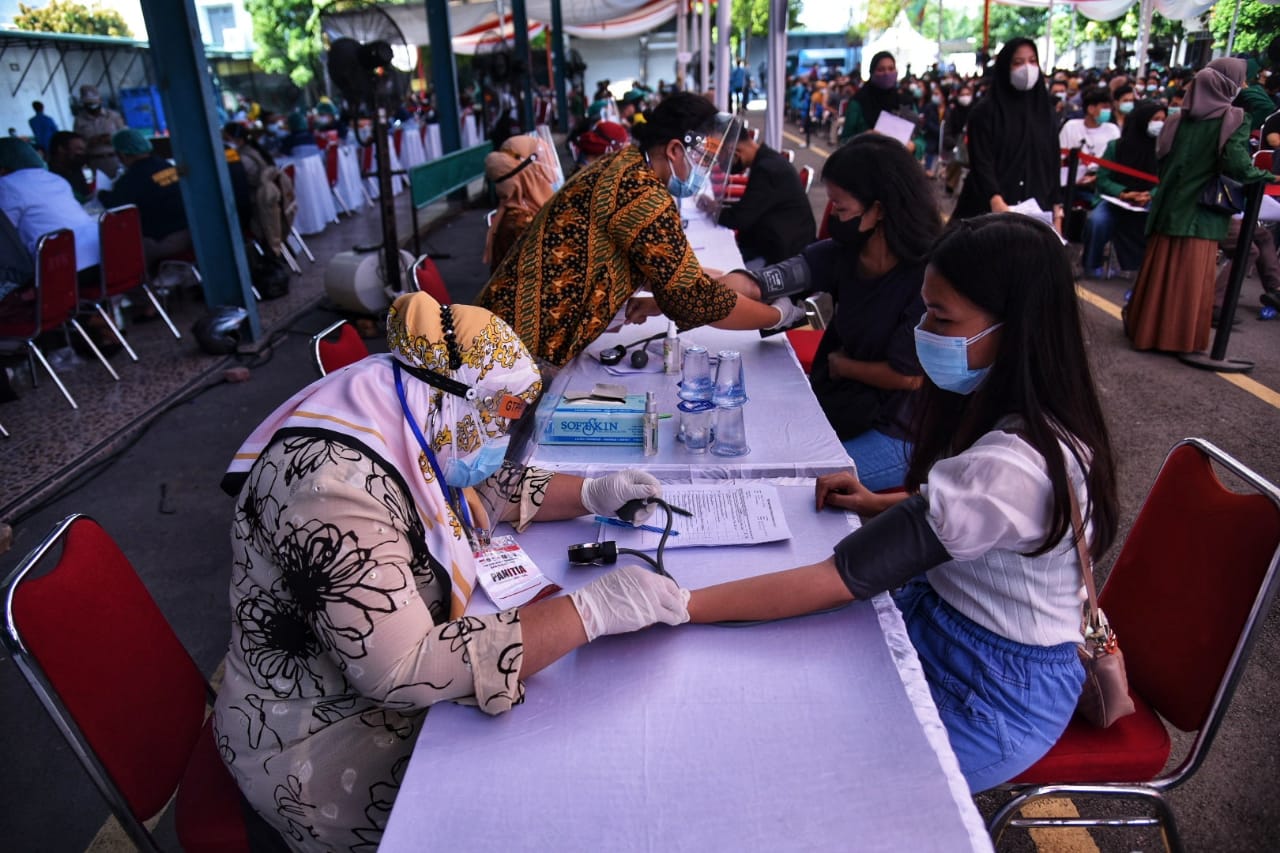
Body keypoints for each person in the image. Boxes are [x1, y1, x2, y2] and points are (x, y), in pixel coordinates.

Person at [214, 291, 689, 850]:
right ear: (453, 398)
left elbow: (473, 482)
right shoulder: (329, 491)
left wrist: (591, 494)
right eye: (502, 415)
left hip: (365, 692)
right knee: (548, 800)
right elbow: (402, 668)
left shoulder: (401, 397)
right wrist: (589, 613)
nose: (505, 436)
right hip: (319, 742)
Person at [685, 213, 1119, 793]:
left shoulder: (1013, 464)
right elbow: (956, 525)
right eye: (925, 310)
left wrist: (676, 604)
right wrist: (874, 502)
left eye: (942, 317)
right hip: (942, 621)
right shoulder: (1030, 412)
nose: (924, 330)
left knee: (811, 778)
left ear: (1014, 329)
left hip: (992, 693)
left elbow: (842, 575)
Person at [477, 92, 800, 367]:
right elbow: (692, 297)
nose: (708, 170)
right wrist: (776, 318)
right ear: (674, 150)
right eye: (704, 159)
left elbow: (676, 272)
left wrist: (724, 282)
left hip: (504, 332)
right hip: (515, 348)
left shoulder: (625, 165)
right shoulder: (642, 195)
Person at [721, 134, 938, 490]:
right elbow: (758, 284)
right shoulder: (843, 254)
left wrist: (843, 366)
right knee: (759, 447)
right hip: (846, 405)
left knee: (797, 486)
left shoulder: (926, 276)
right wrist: (679, 295)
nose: (832, 216)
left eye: (840, 208)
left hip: (901, 434)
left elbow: (908, 377)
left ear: (880, 209)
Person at [1125, 59, 1276, 353]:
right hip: (1201, 213)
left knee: (1160, 273)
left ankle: (1145, 331)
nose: (1243, 87)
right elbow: (1238, 166)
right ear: (1226, 85)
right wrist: (1268, 176)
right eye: (1240, 81)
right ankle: (1176, 340)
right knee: (1189, 278)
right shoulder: (1232, 118)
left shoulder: (1175, 119)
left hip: (1168, 208)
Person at [954, 39, 1063, 233]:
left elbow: (1053, 161)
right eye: (1018, 62)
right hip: (989, 210)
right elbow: (981, 162)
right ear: (1005, 67)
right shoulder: (985, 112)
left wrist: (1057, 209)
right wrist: (995, 198)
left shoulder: (1045, 112)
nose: (1027, 68)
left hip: (1036, 210)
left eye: (1032, 61)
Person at [1079, 100, 1164, 276]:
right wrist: (1123, 193)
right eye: (1155, 119)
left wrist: (1149, 195)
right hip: (1115, 201)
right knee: (1097, 222)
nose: (1160, 124)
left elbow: (1165, 180)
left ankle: (1144, 271)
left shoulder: (1163, 150)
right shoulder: (1116, 147)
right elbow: (1103, 179)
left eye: (1163, 119)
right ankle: (1091, 264)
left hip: (1148, 202)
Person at [712, 132, 816, 266]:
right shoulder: (767, 159)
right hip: (777, 242)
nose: (723, 162)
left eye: (723, 157)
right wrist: (719, 207)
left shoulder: (767, 170)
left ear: (733, 150)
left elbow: (740, 219)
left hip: (783, 256)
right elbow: (750, 206)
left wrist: (714, 211)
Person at [0, 137, 100, 274]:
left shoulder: (5, 186)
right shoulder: (53, 178)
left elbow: (6, 235)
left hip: (63, 267)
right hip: (100, 254)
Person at [98, 129, 191, 272]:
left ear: (121, 155)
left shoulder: (132, 179)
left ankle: (145, 291)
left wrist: (101, 194)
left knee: (118, 253)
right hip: (189, 234)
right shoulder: (167, 166)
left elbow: (115, 206)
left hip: (165, 241)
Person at [483, 134, 557, 272]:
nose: (549, 171)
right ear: (527, 173)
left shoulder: (525, 209)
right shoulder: (521, 223)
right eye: (542, 163)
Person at [1058, 87, 1120, 198]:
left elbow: (1116, 164)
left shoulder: (1113, 130)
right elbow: (1060, 158)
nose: (1108, 112)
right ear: (1091, 108)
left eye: (1109, 108)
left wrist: (1094, 178)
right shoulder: (1071, 126)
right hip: (1069, 182)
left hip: (1099, 184)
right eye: (1105, 107)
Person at [841, 51, 901, 141]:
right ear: (872, 72)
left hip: (900, 154)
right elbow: (845, 140)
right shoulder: (858, 102)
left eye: (891, 69)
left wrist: (914, 146)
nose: (887, 73)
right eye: (881, 69)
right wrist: (864, 137)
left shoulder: (904, 101)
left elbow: (920, 138)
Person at [72, 85, 125, 177]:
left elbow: (126, 137)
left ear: (100, 101)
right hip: (95, 162)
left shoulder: (113, 116)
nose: (92, 107)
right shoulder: (79, 120)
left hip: (115, 159)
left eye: (94, 103)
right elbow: (77, 144)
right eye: (88, 104)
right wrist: (91, 142)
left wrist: (112, 139)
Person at [46, 131, 93, 203]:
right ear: (61, 149)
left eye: (84, 150)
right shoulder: (48, 176)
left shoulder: (75, 169)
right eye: (79, 149)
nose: (83, 153)